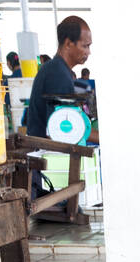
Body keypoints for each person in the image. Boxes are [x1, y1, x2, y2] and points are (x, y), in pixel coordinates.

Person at [27, 15, 92, 203]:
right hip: (44, 158)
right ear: (68, 43)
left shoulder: (59, 70)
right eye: (85, 46)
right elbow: (65, 130)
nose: (88, 52)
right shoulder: (58, 74)